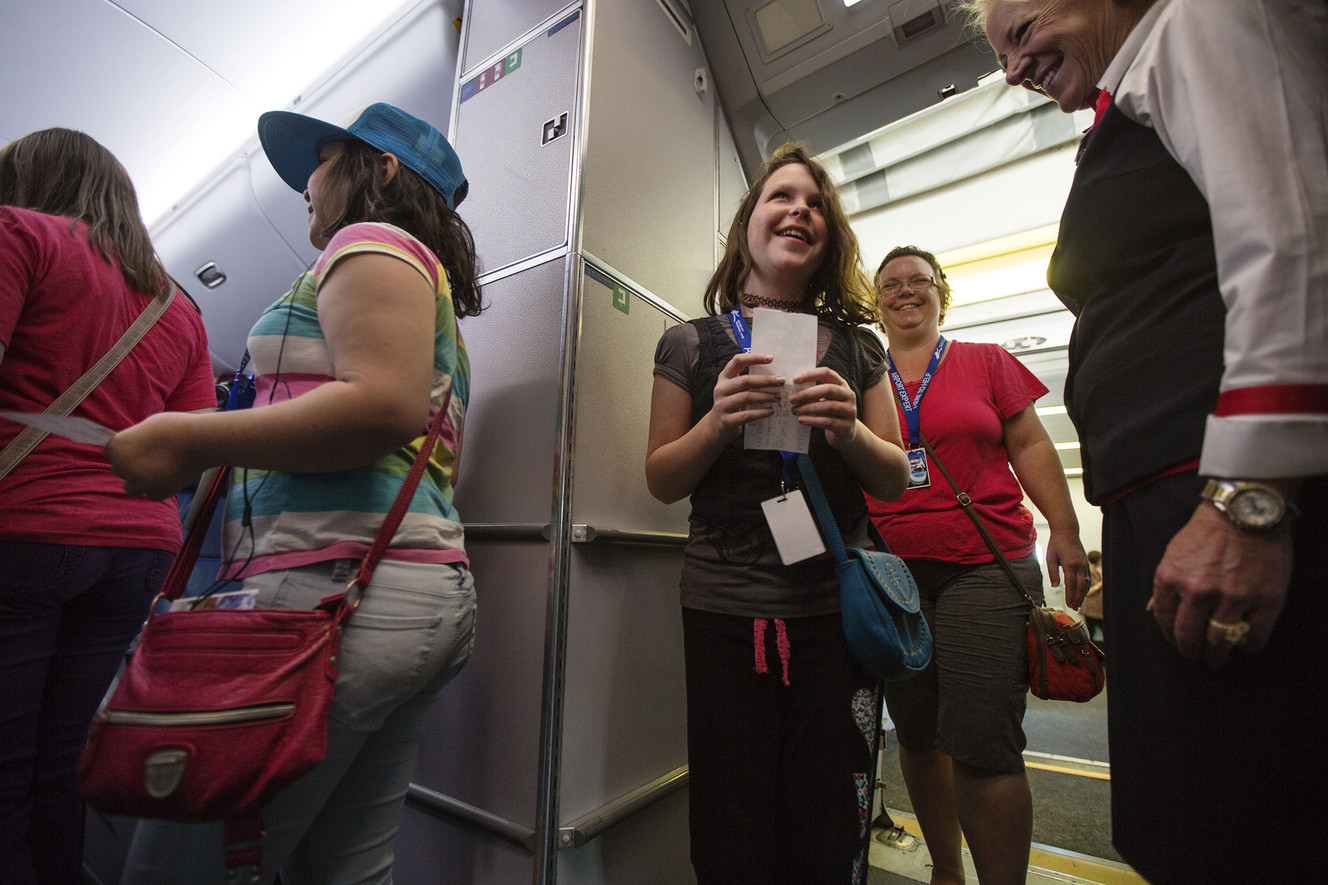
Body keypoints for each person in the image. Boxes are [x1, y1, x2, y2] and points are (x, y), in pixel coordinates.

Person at [963, 1, 1328, 881]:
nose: (1012, 70)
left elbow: (1293, 239)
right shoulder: (1132, 94)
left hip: (1215, 491)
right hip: (1166, 498)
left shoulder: (1202, 21)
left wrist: (1248, 500)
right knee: (1192, 817)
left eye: (1021, 31)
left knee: (1249, 822)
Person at [106, 102, 484, 884]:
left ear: (377, 169)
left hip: (337, 593)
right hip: (408, 590)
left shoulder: (370, 243)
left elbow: (381, 406)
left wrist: (187, 438)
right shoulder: (429, 285)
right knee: (344, 868)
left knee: (176, 871)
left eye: (319, 163)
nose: (304, 187)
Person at [646, 143, 910, 884]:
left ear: (828, 239)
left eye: (816, 203)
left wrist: (849, 429)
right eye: (781, 197)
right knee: (731, 826)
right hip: (725, 612)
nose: (800, 210)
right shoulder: (691, 343)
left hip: (832, 616)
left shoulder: (859, 348)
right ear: (748, 226)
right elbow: (661, 478)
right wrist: (717, 423)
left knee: (826, 824)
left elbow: (895, 477)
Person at [0, 128, 215, 885]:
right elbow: (189, 447)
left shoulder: (16, 233)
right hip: (137, 550)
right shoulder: (177, 305)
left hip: (24, 530)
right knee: (62, 769)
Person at [865, 245, 1088, 885]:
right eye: (890, 285)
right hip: (890, 574)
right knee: (916, 734)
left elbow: (1029, 442)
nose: (906, 291)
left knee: (984, 743)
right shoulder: (861, 372)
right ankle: (946, 870)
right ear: (876, 302)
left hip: (983, 566)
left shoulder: (985, 362)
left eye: (920, 281)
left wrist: (1065, 531)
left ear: (942, 294)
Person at [1080, 550, 1103, 642]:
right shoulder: (1089, 572)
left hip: (1096, 609)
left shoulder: (1096, 572)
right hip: (1091, 609)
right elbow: (1088, 592)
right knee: (1090, 633)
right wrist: (1100, 584)